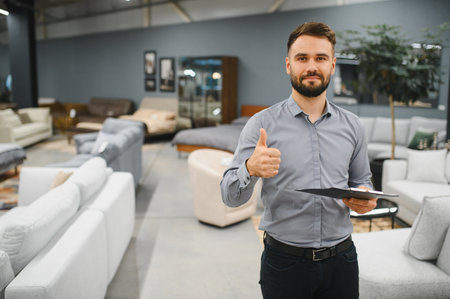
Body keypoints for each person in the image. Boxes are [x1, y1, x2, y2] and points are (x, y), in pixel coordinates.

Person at [220, 21, 377, 299]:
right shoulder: (261, 124)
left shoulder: (353, 126)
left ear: (332, 64)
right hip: (284, 265)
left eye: (320, 58)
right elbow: (230, 197)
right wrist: (249, 168)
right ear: (288, 65)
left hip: (342, 261)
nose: (311, 66)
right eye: (302, 58)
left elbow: (361, 181)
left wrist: (365, 198)